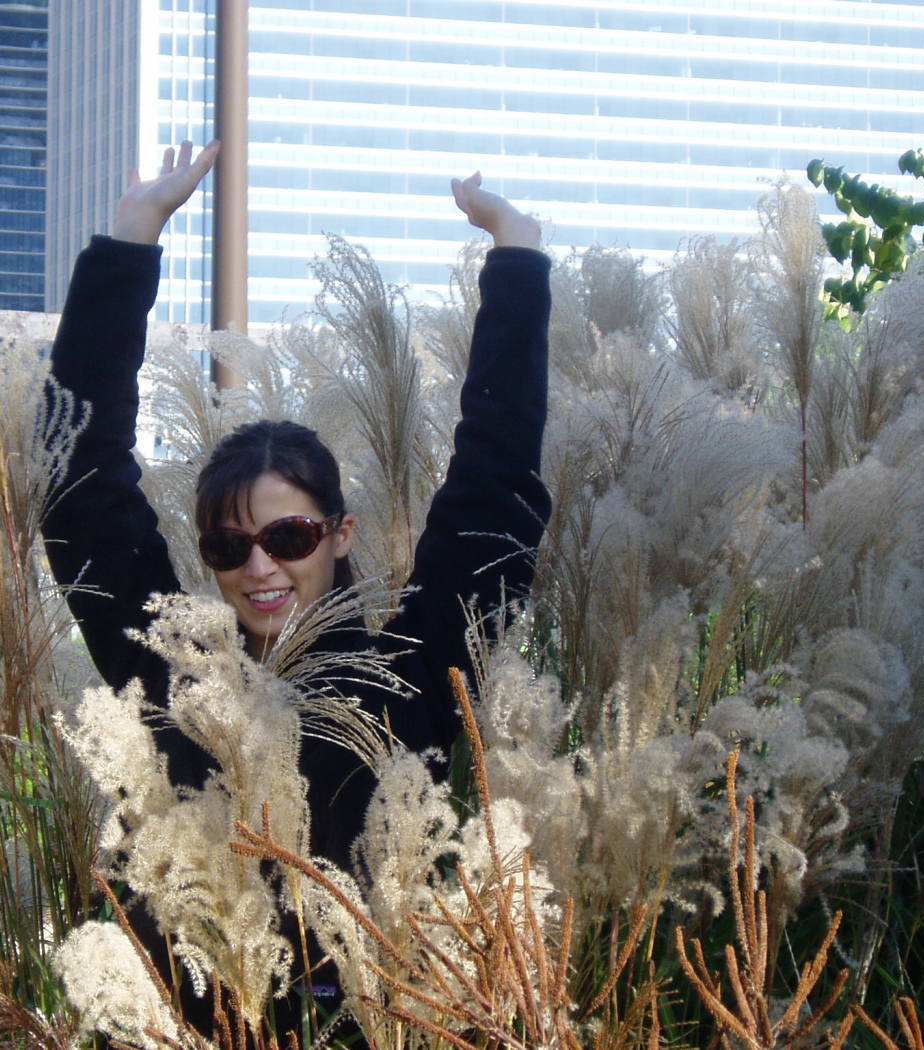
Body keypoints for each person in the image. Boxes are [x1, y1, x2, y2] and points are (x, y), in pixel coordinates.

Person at [44, 140, 551, 867]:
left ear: (340, 534)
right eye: (229, 546)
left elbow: (493, 497)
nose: (259, 568)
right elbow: (78, 494)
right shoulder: (178, 679)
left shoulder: (406, 680)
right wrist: (131, 237)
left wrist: (517, 259)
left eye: (288, 537)